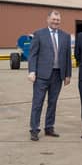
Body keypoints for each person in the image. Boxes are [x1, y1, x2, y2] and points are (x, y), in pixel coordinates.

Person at [28, 10, 72, 141]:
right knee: (37, 103)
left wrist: (68, 74)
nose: (55, 22)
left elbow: (67, 57)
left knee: (52, 103)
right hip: (41, 75)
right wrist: (32, 71)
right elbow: (33, 54)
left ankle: (49, 127)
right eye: (53, 19)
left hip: (58, 75)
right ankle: (34, 129)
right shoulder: (39, 34)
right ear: (48, 19)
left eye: (58, 20)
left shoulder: (65, 36)